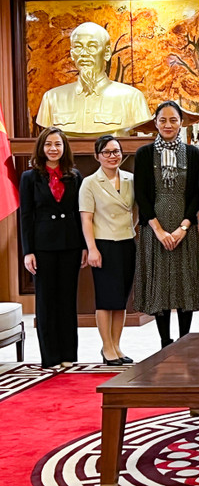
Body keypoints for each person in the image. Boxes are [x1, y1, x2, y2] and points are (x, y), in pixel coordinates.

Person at [134, 101, 199, 348]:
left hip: (184, 227)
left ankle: (184, 341)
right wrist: (159, 231)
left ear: (181, 123)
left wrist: (182, 228)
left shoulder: (192, 153)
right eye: (162, 120)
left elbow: (197, 193)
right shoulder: (145, 154)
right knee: (160, 285)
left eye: (173, 120)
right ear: (155, 123)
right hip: (155, 228)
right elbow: (141, 195)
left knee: (184, 282)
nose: (167, 125)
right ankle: (165, 341)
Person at [19, 127, 87, 368]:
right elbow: (26, 216)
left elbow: (80, 214)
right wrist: (28, 251)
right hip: (42, 247)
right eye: (48, 144)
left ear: (64, 148)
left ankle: (69, 355)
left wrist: (83, 246)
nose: (53, 149)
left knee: (67, 300)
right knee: (46, 302)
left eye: (57, 144)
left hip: (70, 245)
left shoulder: (75, 175)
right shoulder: (29, 177)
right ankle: (50, 358)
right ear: (41, 148)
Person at [36, 22, 152, 137]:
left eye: (92, 47)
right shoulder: (52, 98)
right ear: (72, 54)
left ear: (106, 53)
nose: (84, 53)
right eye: (78, 47)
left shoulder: (132, 98)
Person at [79, 135, 136, 365]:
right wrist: (91, 249)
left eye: (116, 151)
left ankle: (117, 345)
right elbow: (86, 219)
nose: (112, 156)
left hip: (126, 242)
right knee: (106, 299)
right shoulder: (90, 183)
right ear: (97, 156)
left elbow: (135, 210)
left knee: (121, 299)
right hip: (103, 244)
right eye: (107, 152)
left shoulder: (131, 179)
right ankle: (106, 347)